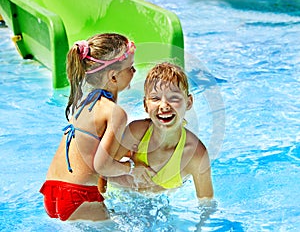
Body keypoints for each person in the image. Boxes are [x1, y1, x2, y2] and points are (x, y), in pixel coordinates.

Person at [40, 33, 152, 221]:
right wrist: (132, 168)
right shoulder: (114, 113)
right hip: (79, 195)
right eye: (130, 68)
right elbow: (102, 165)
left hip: (52, 189)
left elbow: (91, 154)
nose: (134, 72)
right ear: (113, 77)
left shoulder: (80, 102)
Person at [108, 62, 214, 200]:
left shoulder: (195, 155)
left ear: (188, 102)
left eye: (174, 98)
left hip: (158, 208)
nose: (164, 106)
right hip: (120, 197)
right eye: (155, 98)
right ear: (145, 105)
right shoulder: (137, 132)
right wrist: (132, 168)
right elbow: (103, 168)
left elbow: (206, 205)